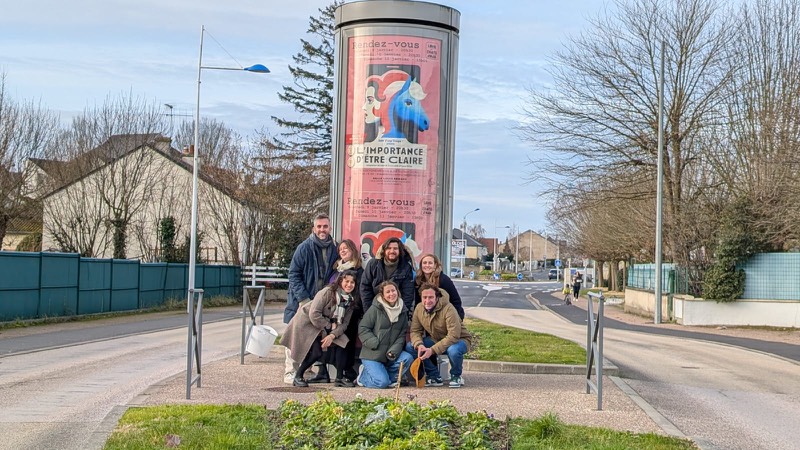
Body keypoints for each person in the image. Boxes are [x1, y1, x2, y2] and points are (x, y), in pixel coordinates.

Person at [282, 213, 339, 384]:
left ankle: (306, 370)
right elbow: (293, 274)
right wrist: (303, 299)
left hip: (321, 302)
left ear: (330, 228)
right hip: (302, 301)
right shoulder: (304, 248)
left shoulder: (335, 248)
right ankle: (290, 371)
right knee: (296, 334)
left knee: (313, 335)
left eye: (325, 226)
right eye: (319, 226)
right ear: (314, 228)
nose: (322, 230)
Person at [281, 270, 359, 388]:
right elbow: (314, 314)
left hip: (328, 326)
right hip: (308, 324)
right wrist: (328, 328)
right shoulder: (327, 292)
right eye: (346, 281)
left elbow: (344, 324)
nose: (349, 285)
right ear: (340, 281)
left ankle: (339, 378)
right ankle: (298, 376)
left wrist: (332, 335)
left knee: (343, 342)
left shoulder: (350, 301)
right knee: (316, 352)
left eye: (352, 282)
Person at [309, 239, 364, 384]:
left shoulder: (358, 269)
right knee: (326, 341)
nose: (343, 251)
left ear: (353, 249)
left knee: (345, 344)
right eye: (340, 249)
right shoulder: (337, 269)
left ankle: (344, 372)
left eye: (346, 248)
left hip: (349, 313)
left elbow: (359, 291)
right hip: (332, 315)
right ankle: (323, 372)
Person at [406, 283, 473, 388]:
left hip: (459, 340)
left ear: (437, 297)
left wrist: (432, 350)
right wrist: (419, 345)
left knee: (453, 350)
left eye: (431, 297)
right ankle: (434, 376)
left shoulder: (449, 308)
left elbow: (453, 335)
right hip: (436, 339)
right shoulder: (419, 308)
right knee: (411, 347)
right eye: (424, 297)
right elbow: (415, 331)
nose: (427, 301)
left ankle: (456, 376)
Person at [357, 280, 415, 388]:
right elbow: (363, 328)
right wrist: (374, 343)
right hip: (373, 354)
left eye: (393, 290)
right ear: (383, 295)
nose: (391, 294)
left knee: (407, 358)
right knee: (382, 383)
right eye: (387, 292)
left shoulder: (402, 311)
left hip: (389, 355)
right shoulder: (375, 309)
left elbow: (401, 335)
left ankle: (387, 377)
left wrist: (394, 351)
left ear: (397, 291)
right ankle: (363, 377)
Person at [360, 237, 415, 314]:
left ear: (400, 251)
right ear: (384, 250)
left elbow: (408, 294)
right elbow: (365, 288)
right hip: (374, 309)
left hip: (396, 310)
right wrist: (369, 312)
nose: (392, 251)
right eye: (389, 248)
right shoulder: (373, 264)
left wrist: (400, 314)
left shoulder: (406, 268)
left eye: (395, 248)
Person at [414, 253, 465, 320]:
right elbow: (418, 302)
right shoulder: (418, 280)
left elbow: (455, 300)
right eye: (424, 263)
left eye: (430, 263)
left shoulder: (444, 280)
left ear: (435, 265)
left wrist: (456, 318)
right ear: (421, 265)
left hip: (444, 316)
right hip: (426, 316)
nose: (427, 265)